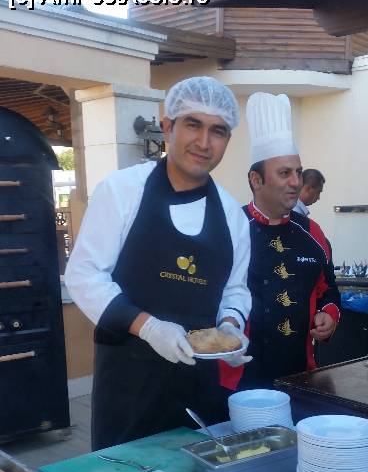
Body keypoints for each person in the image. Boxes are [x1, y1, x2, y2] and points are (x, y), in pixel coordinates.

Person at [65, 76, 252, 449]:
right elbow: (84, 275)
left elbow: (235, 289)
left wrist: (229, 328)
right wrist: (150, 328)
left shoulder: (233, 215)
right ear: (168, 127)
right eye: (193, 125)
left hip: (199, 390)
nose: (204, 142)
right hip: (128, 386)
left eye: (217, 131)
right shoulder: (122, 191)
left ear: (227, 141)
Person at [220, 93, 340, 391]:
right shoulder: (229, 228)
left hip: (299, 375)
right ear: (256, 180)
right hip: (237, 380)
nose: (296, 182)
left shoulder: (312, 232)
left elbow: (329, 290)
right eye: (284, 173)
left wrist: (329, 315)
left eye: (298, 173)